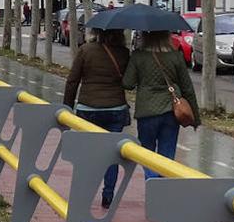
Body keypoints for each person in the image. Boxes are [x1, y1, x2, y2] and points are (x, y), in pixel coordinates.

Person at [63, 29, 130, 208]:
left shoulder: (86, 50)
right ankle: (108, 195)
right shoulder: (124, 53)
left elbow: (72, 80)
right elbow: (129, 82)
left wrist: (67, 108)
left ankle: (83, 193)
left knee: (87, 153)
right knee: (112, 154)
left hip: (88, 109)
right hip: (116, 109)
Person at [123, 30, 201, 180]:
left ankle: (152, 182)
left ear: (145, 36)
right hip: (172, 111)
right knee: (167, 155)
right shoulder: (175, 56)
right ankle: (163, 186)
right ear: (167, 36)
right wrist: (195, 118)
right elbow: (187, 88)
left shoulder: (138, 56)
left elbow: (128, 83)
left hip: (147, 111)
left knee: (147, 154)